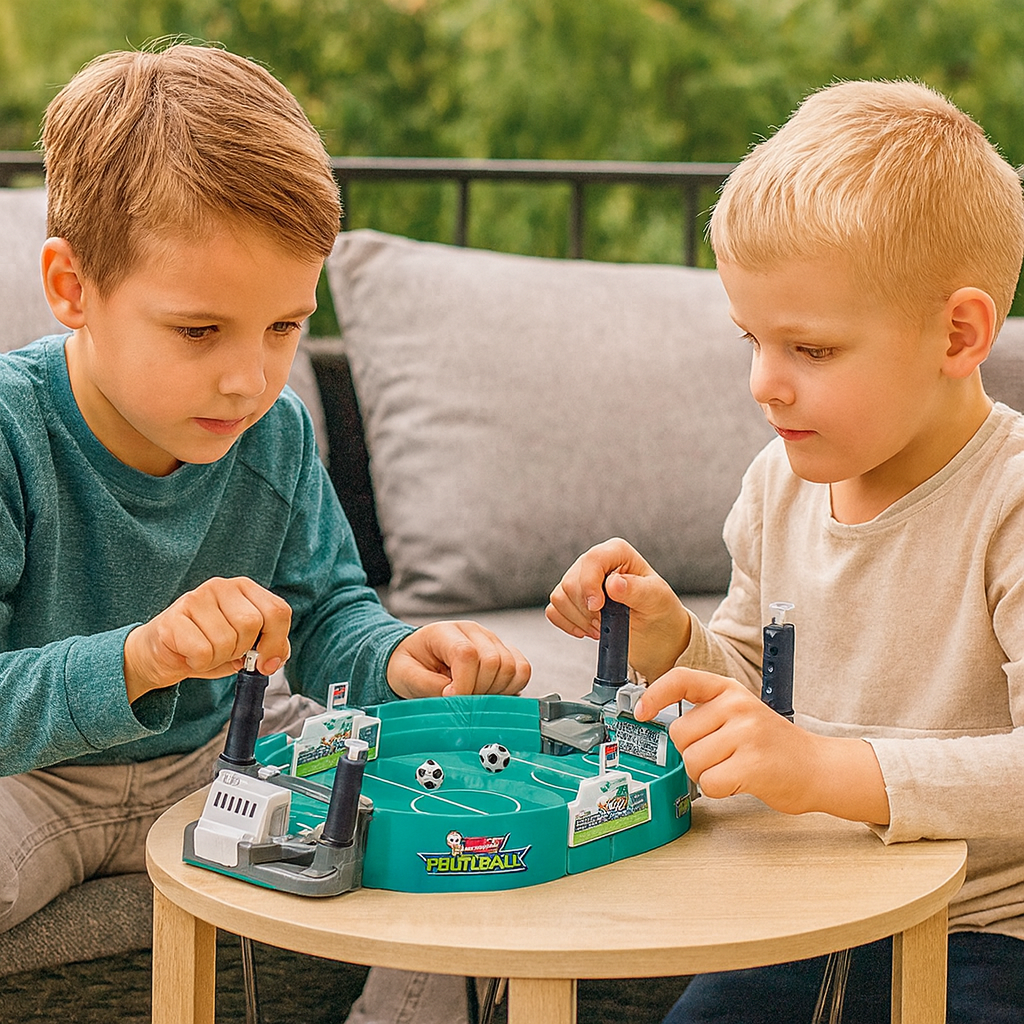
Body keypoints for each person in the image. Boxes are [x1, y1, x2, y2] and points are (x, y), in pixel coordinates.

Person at [0, 42, 528, 1021]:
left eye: (283, 327)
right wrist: (137, 658)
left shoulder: (272, 433)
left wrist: (405, 655)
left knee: (456, 817)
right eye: (200, 331)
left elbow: (333, 619)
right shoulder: (11, 434)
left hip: (224, 760)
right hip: (33, 781)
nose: (250, 379)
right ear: (73, 289)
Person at [547, 79, 1024, 1023]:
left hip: (982, 929)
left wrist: (822, 771)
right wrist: (670, 641)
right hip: (802, 918)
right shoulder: (778, 482)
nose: (765, 384)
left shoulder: (1009, 501)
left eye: (810, 350)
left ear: (959, 334)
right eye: (751, 339)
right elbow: (758, 687)